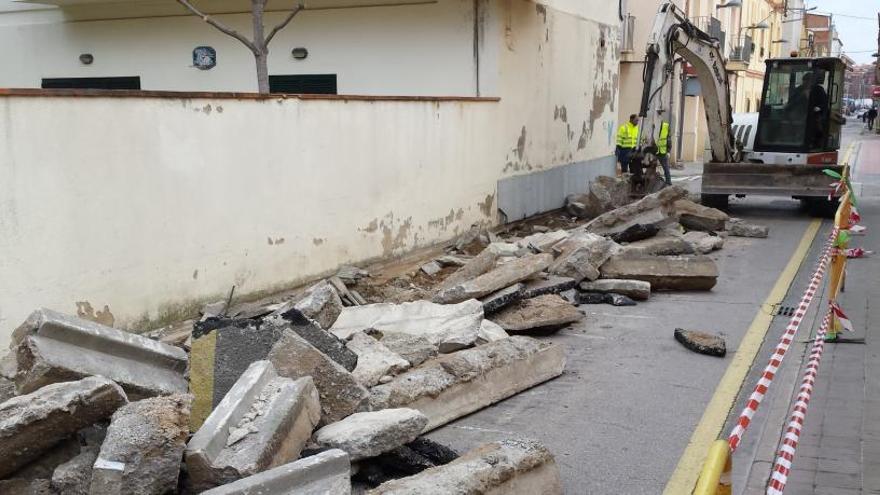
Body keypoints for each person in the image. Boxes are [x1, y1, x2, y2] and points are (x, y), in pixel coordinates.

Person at [656, 121, 672, 186]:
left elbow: (669, 140)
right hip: (654, 151)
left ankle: (668, 182)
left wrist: (668, 151)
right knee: (650, 167)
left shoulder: (666, 126)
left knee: (666, 168)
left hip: (663, 151)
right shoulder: (653, 125)